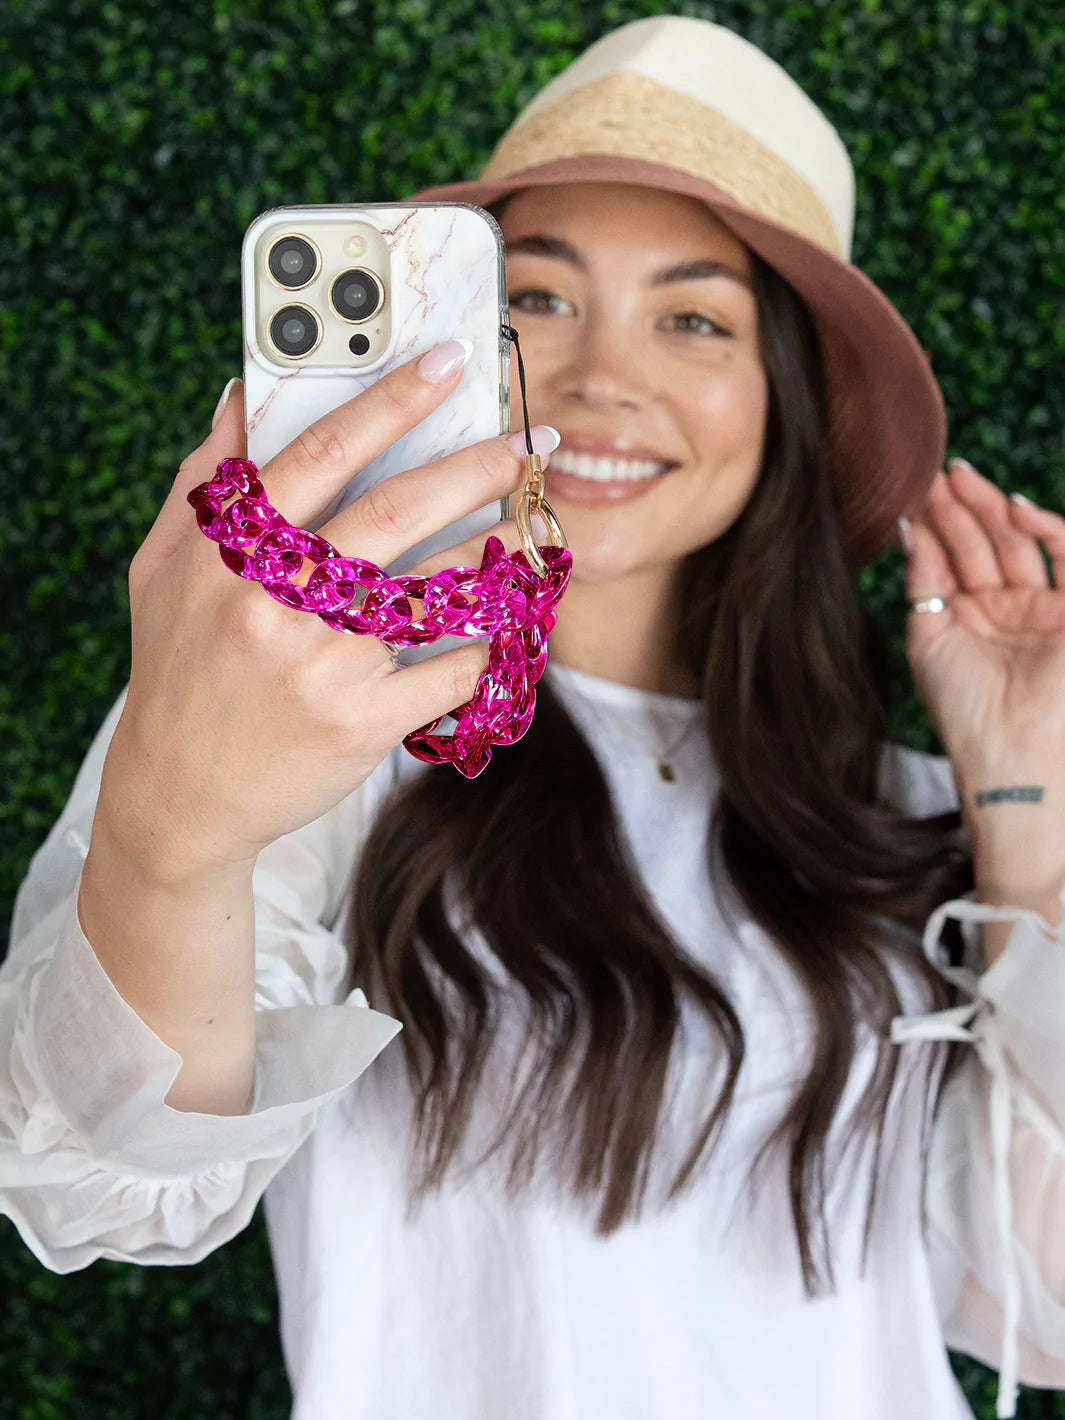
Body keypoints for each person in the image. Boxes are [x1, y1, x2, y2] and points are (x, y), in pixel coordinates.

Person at [3, 14, 1065, 1420]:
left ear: (782, 398)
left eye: (693, 317)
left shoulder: (906, 817)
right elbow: (105, 1184)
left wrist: (1024, 814)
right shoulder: (307, 726)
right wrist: (171, 832)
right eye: (535, 301)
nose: (598, 382)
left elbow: (1033, 1293)